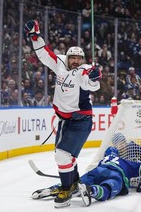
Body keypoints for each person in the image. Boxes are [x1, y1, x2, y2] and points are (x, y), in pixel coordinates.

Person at [24, 20, 102, 208]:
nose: (76, 61)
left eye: (79, 58)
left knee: (62, 156)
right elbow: (43, 53)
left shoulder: (84, 71)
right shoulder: (58, 62)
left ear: (82, 60)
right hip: (64, 120)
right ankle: (72, 183)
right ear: (67, 58)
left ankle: (66, 189)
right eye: (72, 57)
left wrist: (95, 77)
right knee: (65, 156)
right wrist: (35, 35)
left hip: (80, 120)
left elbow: (92, 85)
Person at [31, 146, 141, 205]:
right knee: (108, 187)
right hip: (116, 174)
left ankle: (53, 188)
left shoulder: (103, 160)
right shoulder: (123, 161)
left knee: (73, 184)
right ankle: (92, 190)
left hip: (97, 170)